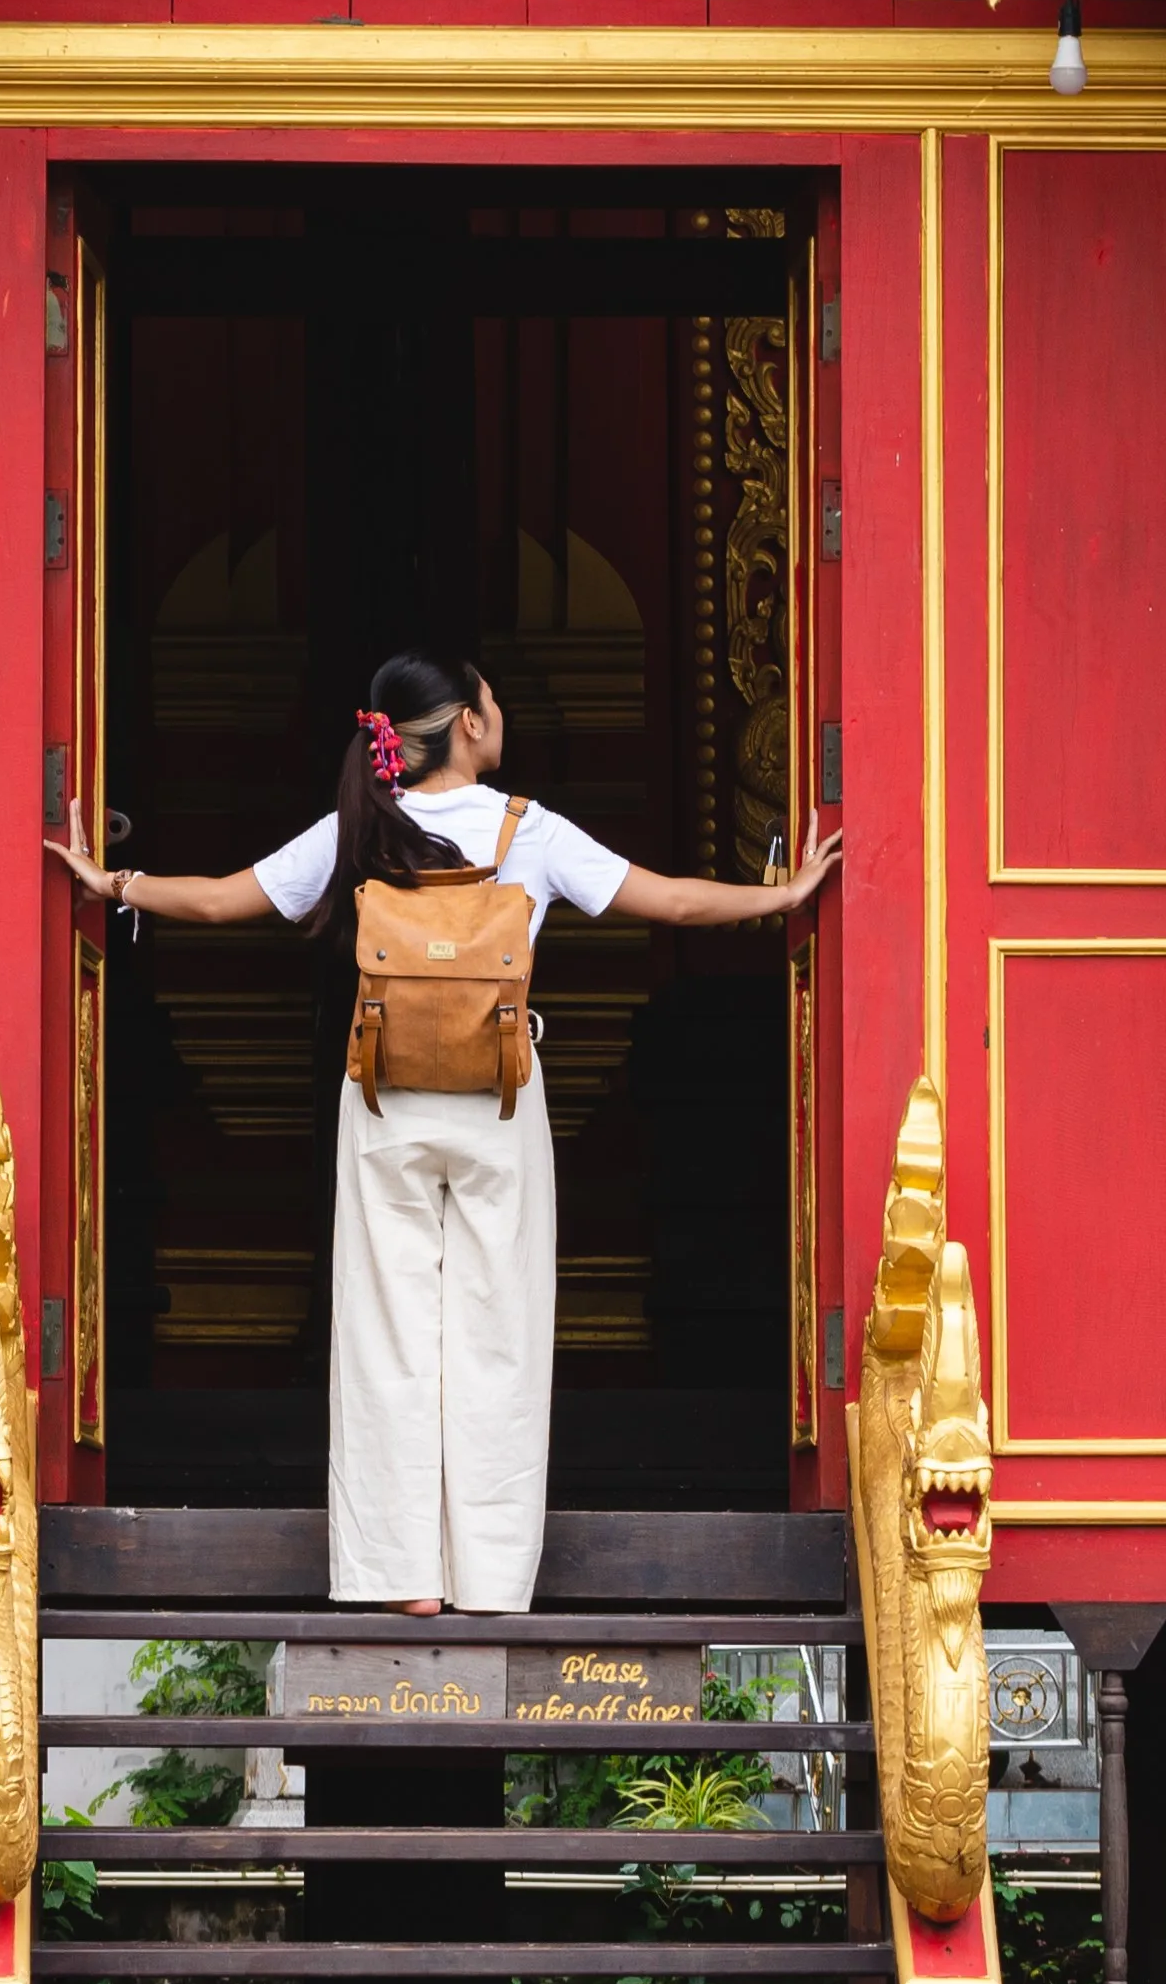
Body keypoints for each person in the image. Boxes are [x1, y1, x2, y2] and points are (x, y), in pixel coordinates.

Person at [52, 648, 839, 1617]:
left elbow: (223, 898)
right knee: (498, 1334)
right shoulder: (529, 833)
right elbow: (667, 898)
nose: (499, 712)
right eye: (493, 700)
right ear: (468, 722)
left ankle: (401, 1578)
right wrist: (785, 896)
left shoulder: (362, 825)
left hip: (384, 1097)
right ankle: (493, 1578)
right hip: (500, 1099)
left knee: (388, 1334)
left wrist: (110, 879)